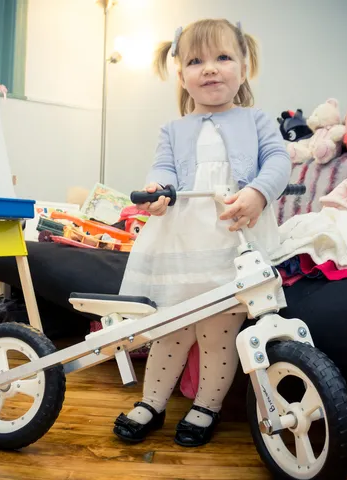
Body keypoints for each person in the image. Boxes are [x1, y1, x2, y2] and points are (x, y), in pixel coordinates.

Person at [113, 18, 291, 447]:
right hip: (183, 243)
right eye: (196, 61)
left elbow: (279, 162)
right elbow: (162, 170)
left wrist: (258, 193)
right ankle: (152, 403)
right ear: (182, 75)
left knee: (217, 333)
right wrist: (156, 191)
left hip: (233, 242)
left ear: (243, 68)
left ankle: (206, 407)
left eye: (223, 57)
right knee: (171, 328)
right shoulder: (172, 130)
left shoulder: (257, 120)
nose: (210, 68)